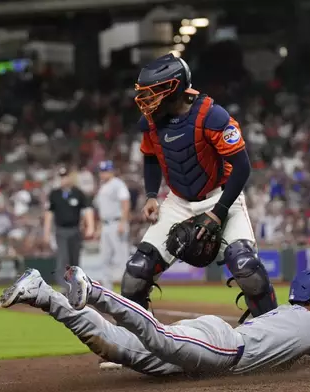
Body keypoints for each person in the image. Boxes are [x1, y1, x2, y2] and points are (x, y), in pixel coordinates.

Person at [0, 267, 310, 376]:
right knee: (153, 335)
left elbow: (306, 354)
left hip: (217, 341)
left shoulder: (293, 318)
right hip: (223, 347)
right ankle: (94, 290)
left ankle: (42, 294)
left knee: (116, 347)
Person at [124, 53, 277, 325]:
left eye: (152, 93)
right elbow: (150, 156)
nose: (146, 100)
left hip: (221, 196)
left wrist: (218, 213)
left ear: (172, 89)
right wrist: (150, 195)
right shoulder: (151, 122)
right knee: (136, 274)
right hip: (177, 202)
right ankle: (139, 345)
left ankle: (275, 335)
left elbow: (241, 167)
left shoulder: (213, 116)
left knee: (247, 268)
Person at [44, 166, 94, 289]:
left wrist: (90, 227)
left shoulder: (78, 193)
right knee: (63, 258)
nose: (63, 179)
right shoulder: (54, 194)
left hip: (75, 230)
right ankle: (65, 286)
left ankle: (76, 286)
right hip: (61, 230)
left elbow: (87, 210)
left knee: (74, 259)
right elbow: (49, 214)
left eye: (65, 176)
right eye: (61, 177)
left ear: (70, 178)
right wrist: (46, 232)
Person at [92, 160, 131, 292]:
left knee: (122, 259)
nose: (103, 173)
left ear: (112, 171)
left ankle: (129, 289)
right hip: (105, 225)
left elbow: (125, 203)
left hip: (116, 223)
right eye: (102, 171)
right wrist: (98, 227)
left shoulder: (118, 184)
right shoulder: (102, 187)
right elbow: (101, 210)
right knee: (105, 259)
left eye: (106, 171)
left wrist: (123, 223)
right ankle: (107, 291)